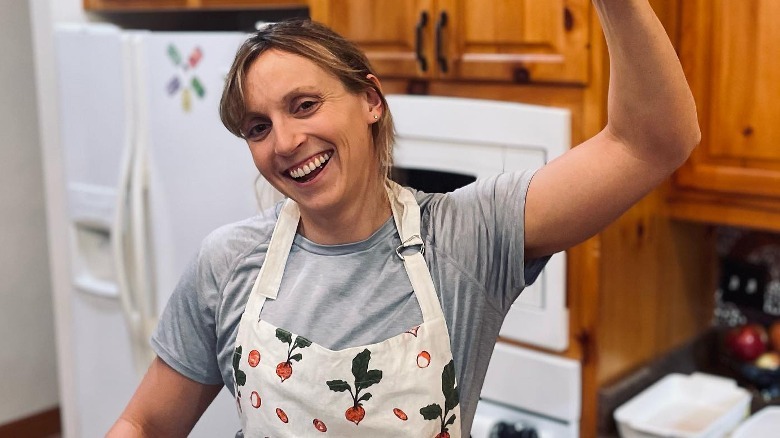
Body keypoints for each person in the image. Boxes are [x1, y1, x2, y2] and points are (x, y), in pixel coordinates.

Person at [108, 0, 700, 436]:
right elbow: (145, 423)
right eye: (258, 127)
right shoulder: (227, 262)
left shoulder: (468, 237)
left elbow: (652, 142)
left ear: (370, 100)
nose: (284, 142)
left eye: (305, 105)